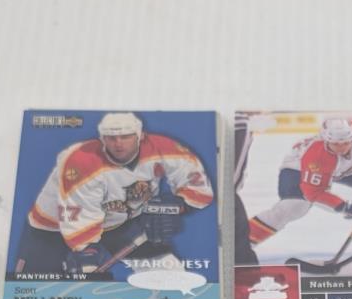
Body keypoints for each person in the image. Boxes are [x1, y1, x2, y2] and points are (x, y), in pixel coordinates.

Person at [14, 112, 213, 280]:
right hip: (52, 230)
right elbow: (79, 222)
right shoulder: (82, 161)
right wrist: (88, 255)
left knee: (172, 275)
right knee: (33, 289)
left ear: (140, 136)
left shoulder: (163, 150)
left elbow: (198, 188)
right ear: (102, 138)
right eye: (111, 137)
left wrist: (176, 206)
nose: (118, 144)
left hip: (120, 224)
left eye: (126, 136)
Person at [246, 117, 352, 249]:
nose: (342, 148)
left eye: (346, 143)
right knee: (294, 207)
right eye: (336, 144)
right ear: (326, 140)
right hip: (299, 168)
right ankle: (243, 241)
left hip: (350, 167)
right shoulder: (316, 156)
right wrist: (347, 207)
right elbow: (314, 192)